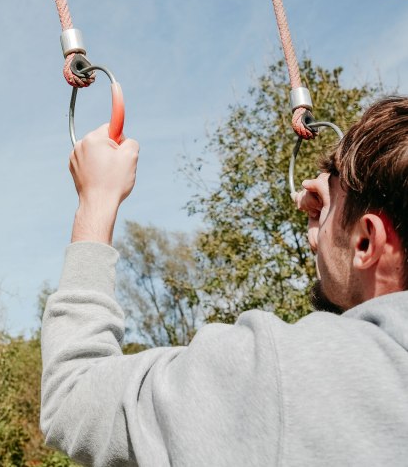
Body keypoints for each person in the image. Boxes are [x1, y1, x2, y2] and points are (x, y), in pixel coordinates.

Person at [41, 96, 408, 466]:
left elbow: (72, 397)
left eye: (325, 214)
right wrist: (336, 222)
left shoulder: (288, 377)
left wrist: (96, 199)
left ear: (366, 242)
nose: (312, 234)